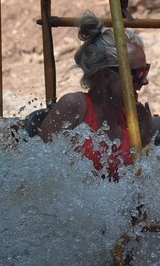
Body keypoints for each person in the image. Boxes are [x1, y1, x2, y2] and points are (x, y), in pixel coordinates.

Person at [39, 13, 152, 179]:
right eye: (138, 73)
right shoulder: (74, 106)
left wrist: (144, 139)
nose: (145, 81)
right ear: (106, 75)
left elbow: (136, 184)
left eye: (146, 70)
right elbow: (38, 174)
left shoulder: (133, 118)